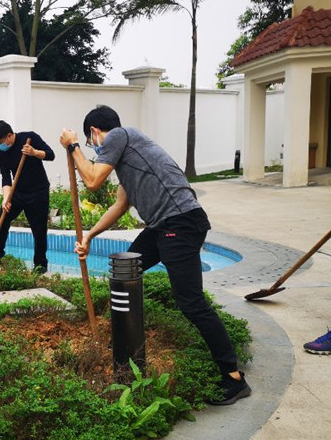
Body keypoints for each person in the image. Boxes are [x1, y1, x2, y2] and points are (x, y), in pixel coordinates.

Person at [59, 105, 251, 406]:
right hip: (163, 225)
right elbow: (119, 206)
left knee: (191, 302)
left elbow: (93, 179)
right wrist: (89, 235)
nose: (92, 148)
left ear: (94, 133)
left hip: (179, 222)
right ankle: (125, 345)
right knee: (125, 270)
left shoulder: (120, 136)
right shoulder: (129, 155)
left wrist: (72, 146)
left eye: (89, 142)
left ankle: (233, 377)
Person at [0, 120, 55, 273]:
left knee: (39, 229)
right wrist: (6, 199)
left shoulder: (29, 138)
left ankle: (40, 264)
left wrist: (34, 152)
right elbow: (6, 178)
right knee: (2, 218)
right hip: (17, 192)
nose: (0, 146)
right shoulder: (1, 153)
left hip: (38, 191)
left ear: (9, 136)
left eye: (0, 142)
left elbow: (51, 155)